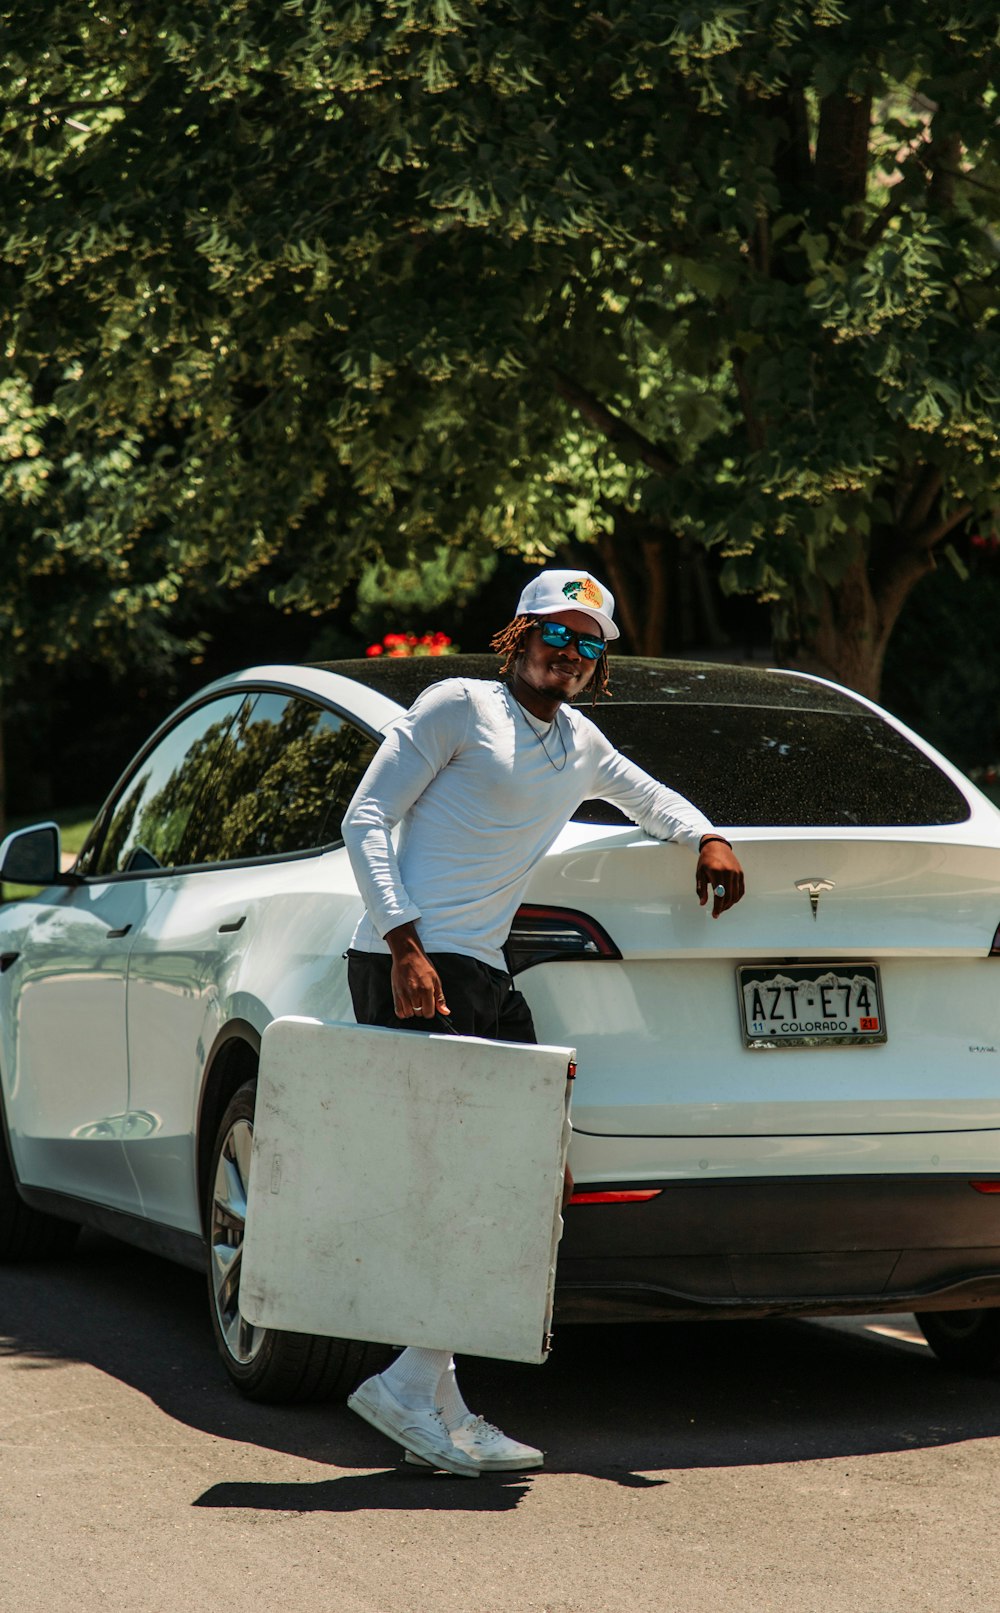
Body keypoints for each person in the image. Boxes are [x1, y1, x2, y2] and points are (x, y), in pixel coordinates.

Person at [341, 568, 745, 1477]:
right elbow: (365, 815)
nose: (570, 653)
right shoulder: (457, 708)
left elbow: (651, 798)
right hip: (411, 962)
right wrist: (405, 945)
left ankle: (433, 1390)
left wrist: (708, 840)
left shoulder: (579, 746)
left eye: (589, 643)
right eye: (556, 634)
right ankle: (411, 1387)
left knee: (511, 1179)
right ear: (516, 634)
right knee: (463, 1181)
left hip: (480, 971)